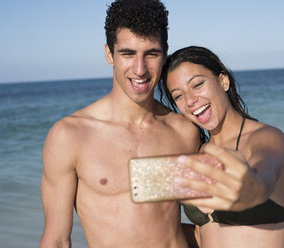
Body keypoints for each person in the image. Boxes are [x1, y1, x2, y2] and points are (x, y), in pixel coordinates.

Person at [39, 1, 200, 247]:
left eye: (151, 54)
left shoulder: (184, 131)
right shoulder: (70, 136)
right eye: (128, 53)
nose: (140, 69)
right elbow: (58, 240)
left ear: (164, 54)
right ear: (108, 54)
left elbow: (205, 223)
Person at [159, 46, 284, 248]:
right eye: (178, 96)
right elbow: (205, 235)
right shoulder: (198, 154)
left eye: (197, 85)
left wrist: (252, 189)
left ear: (223, 81)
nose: (190, 100)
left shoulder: (265, 137)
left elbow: (266, 172)